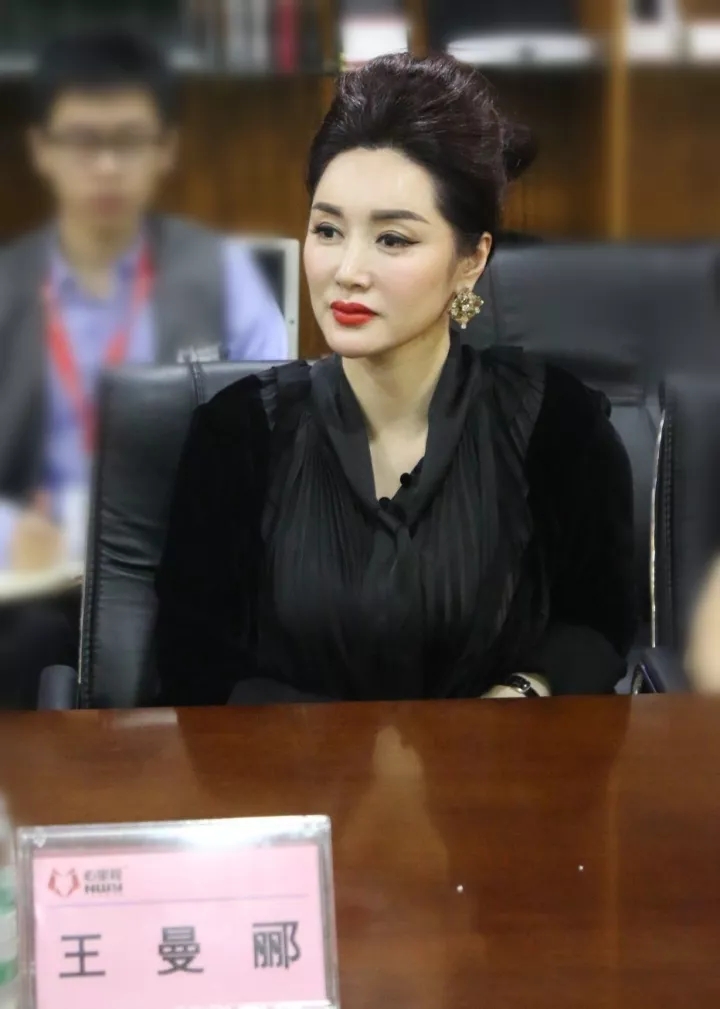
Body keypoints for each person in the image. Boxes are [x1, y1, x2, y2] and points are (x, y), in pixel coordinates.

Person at [155, 52, 637, 707]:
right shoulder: (236, 433)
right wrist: (336, 747)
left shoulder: (557, 422)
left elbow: (599, 621)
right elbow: (194, 661)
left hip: (500, 766)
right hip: (289, 767)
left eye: (393, 240)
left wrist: (522, 695)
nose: (347, 270)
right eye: (328, 230)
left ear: (471, 259)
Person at [0, 28, 287, 707]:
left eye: (128, 141)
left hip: (191, 579)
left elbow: (285, 441)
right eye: (82, 141)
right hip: (32, 589)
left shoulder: (225, 279)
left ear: (165, 148)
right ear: (41, 148)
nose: (106, 166)